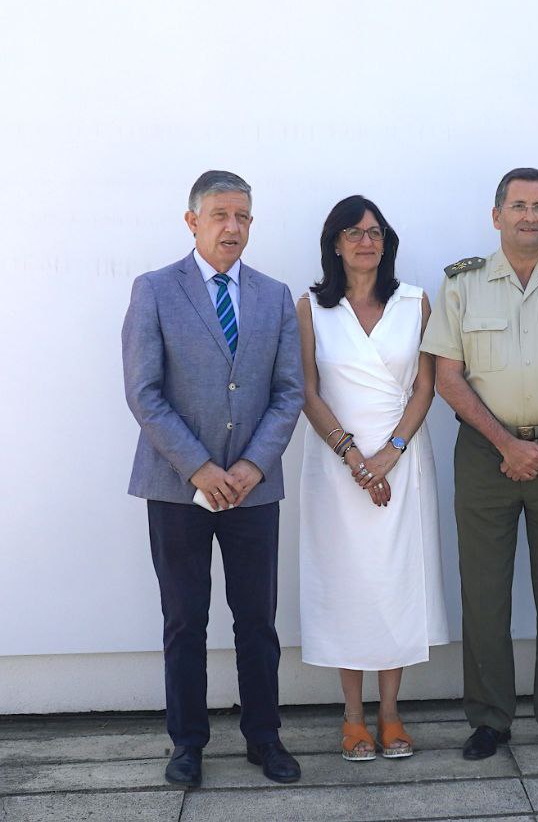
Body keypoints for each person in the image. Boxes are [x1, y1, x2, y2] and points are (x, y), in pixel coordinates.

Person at [122, 170, 304, 788]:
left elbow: (289, 392)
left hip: (254, 487)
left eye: (244, 217)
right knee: (184, 619)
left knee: (257, 618)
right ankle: (188, 743)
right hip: (178, 487)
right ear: (192, 220)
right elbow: (144, 394)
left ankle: (264, 737)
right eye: (222, 215)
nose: (234, 228)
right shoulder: (154, 290)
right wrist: (199, 466)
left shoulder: (275, 295)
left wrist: (252, 465)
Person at [422, 167, 538, 761]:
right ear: (496, 214)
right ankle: (489, 718)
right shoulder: (462, 285)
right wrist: (506, 444)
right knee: (484, 591)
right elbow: (446, 376)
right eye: (518, 205)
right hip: (484, 454)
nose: (530, 216)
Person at [296, 195, 450, 762]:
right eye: (354, 232)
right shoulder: (311, 308)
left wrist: (390, 453)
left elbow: (425, 387)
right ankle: (352, 717)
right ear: (334, 243)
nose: (366, 241)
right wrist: (352, 456)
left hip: (403, 462)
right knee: (347, 585)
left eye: (375, 232)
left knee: (394, 583)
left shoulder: (415, 303)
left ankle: (390, 714)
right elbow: (307, 390)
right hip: (336, 470)